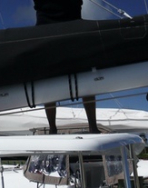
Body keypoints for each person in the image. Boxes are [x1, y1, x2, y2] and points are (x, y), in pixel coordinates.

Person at [34, 0, 99, 134]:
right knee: (85, 79)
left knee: (49, 83)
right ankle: (92, 126)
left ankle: (53, 129)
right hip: (70, 30)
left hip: (48, 33)